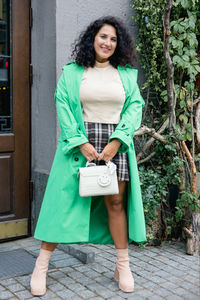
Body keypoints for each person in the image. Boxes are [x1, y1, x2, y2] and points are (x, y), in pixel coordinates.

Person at [30, 16, 146, 296]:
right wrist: (80, 142)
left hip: (115, 143)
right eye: (103, 36)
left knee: (115, 202)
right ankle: (41, 265)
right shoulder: (73, 72)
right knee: (64, 202)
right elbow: (63, 105)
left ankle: (123, 265)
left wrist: (117, 141)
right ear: (93, 39)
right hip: (79, 144)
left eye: (113, 39)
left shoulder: (127, 74)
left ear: (119, 45)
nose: (107, 43)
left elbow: (134, 107)